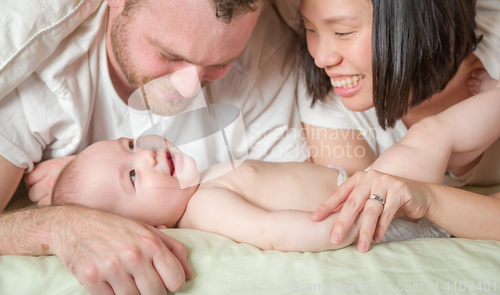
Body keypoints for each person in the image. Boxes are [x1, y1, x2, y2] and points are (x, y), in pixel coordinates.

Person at [0, 0, 309, 293]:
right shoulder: (33, 65)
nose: (189, 88)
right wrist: (62, 223)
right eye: (169, 55)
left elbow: (310, 191)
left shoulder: (265, 50)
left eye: (220, 64)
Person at [298, 0, 500, 252]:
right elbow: (366, 217)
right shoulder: (329, 99)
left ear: (415, 19)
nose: (321, 58)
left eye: (342, 32)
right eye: (310, 28)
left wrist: (435, 135)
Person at [50, 135, 449, 252]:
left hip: (368, 188)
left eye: (132, 145)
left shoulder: (199, 184)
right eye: (133, 176)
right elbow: (271, 231)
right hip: (372, 209)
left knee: (438, 143)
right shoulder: (204, 208)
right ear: (152, 227)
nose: (149, 156)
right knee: (437, 134)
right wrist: (348, 226)